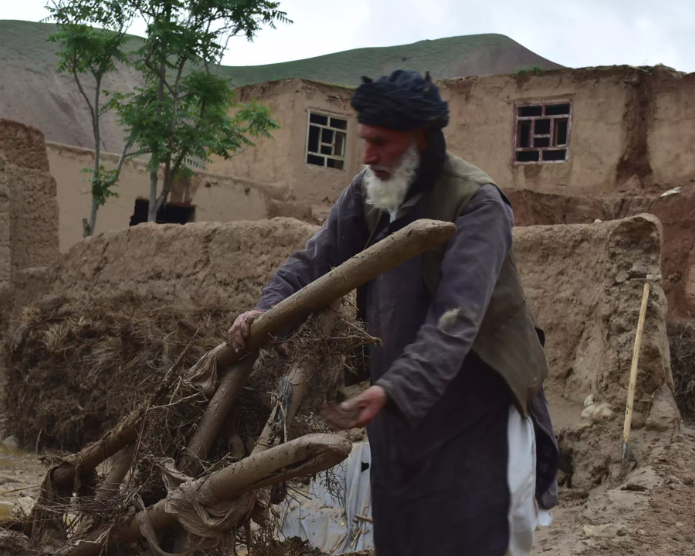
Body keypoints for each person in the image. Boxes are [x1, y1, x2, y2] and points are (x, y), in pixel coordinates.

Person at [227, 70, 559, 556]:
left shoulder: (477, 204)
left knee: (476, 538)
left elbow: (457, 318)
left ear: (421, 140)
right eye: (366, 141)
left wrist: (394, 388)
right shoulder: (373, 188)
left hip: (480, 404)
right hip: (398, 408)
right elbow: (316, 259)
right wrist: (267, 308)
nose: (368, 155)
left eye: (381, 142)